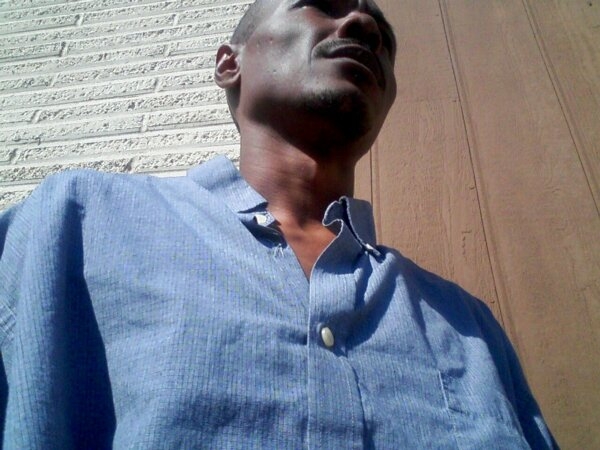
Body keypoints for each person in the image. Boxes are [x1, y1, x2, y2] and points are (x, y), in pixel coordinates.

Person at [0, 0, 558, 448]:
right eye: (319, 4)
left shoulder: (468, 325)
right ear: (229, 64)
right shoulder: (77, 221)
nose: (363, 25)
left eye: (384, 40)